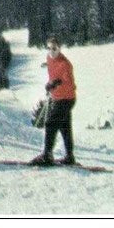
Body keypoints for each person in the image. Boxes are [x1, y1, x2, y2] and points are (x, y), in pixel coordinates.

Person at [30, 36, 77, 166]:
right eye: (49, 48)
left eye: (54, 49)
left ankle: (47, 155)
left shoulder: (65, 64)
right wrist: (50, 84)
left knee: (50, 123)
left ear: (60, 48)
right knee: (64, 126)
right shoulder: (49, 58)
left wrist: (57, 83)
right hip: (57, 98)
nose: (51, 51)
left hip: (66, 99)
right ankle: (69, 156)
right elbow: (53, 75)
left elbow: (70, 85)